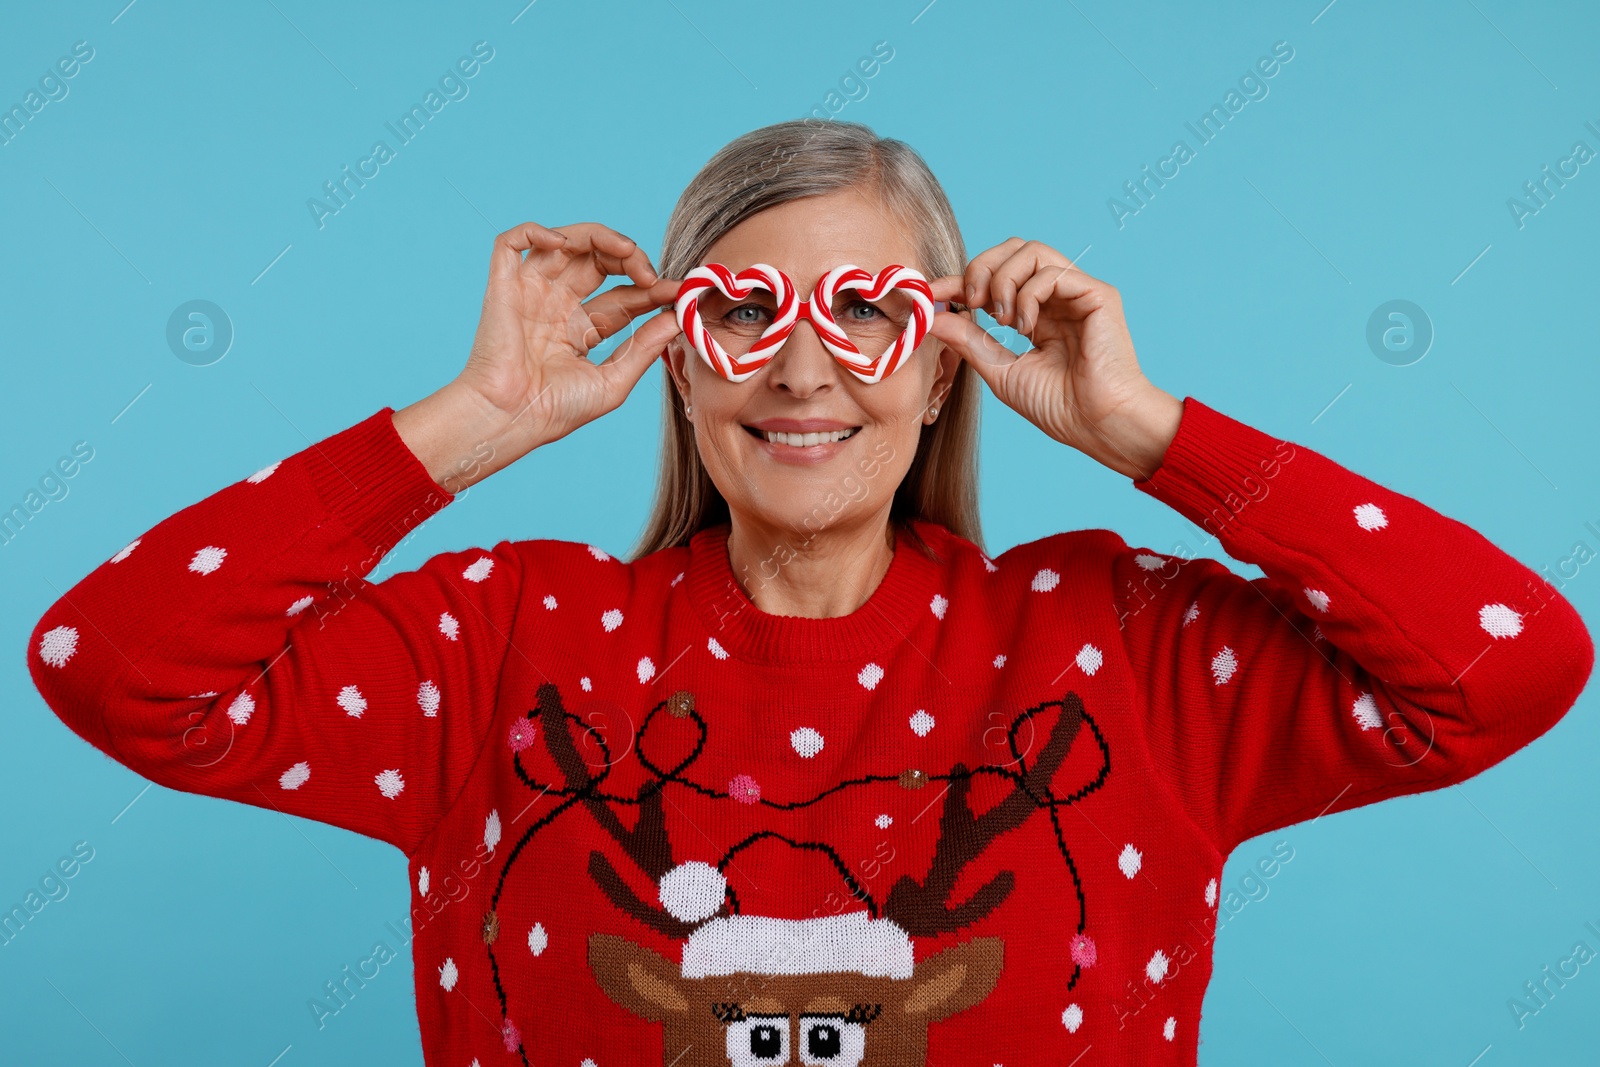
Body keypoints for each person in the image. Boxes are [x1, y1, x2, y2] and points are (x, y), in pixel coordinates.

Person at [28, 119, 1593, 1065]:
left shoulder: (1122, 647)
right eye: (742, 313)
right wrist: (467, 429)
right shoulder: (506, 647)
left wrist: (1155, 438)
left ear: (944, 366)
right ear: (677, 361)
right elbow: (112, 666)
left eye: (865, 312)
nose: (799, 366)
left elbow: (1504, 667)